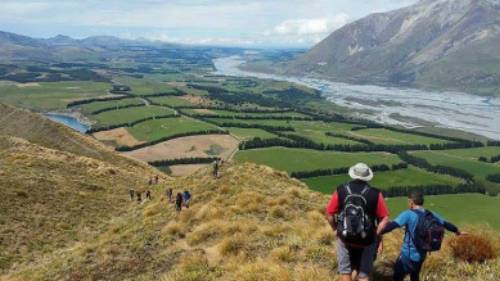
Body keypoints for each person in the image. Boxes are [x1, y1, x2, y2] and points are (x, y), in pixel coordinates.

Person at [326, 163, 390, 281]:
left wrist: (335, 229)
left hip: (344, 237)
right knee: (364, 274)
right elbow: (385, 218)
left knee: (345, 271)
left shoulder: (341, 190)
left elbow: (329, 213)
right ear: (368, 176)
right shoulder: (375, 194)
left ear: (353, 174)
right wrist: (376, 234)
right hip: (367, 240)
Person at [380, 190, 463, 281]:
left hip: (407, 255)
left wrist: (376, 232)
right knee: (415, 275)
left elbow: (391, 227)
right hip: (422, 254)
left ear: (411, 202)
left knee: (397, 277)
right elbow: (446, 224)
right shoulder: (430, 214)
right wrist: (457, 231)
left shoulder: (408, 214)